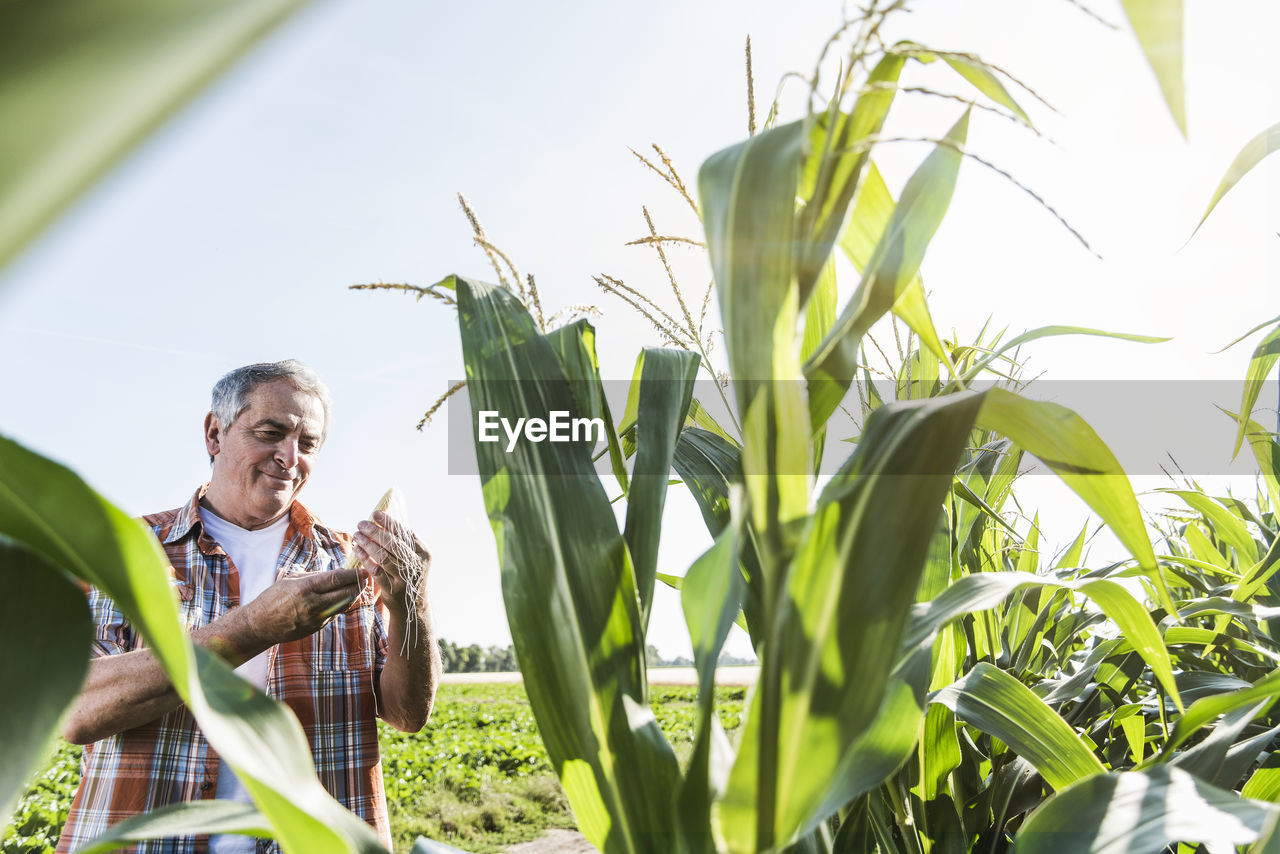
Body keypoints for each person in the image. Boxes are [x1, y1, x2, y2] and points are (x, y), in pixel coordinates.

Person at [56, 360, 441, 853]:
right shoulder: (119, 551)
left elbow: (407, 712)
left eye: (308, 444)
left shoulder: (349, 561)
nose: (289, 457)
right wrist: (251, 628)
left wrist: (411, 601)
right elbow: (77, 709)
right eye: (270, 432)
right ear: (214, 433)